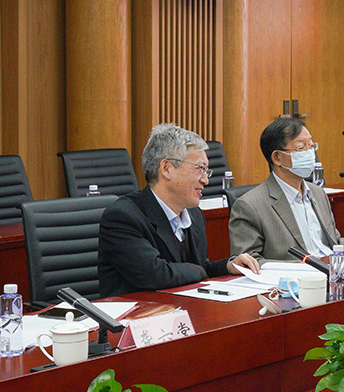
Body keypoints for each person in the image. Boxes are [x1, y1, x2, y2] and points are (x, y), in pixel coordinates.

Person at [99, 123, 258, 297]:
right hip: (139, 311)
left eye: (207, 171)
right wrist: (200, 271)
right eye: (200, 168)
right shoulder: (123, 217)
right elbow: (157, 275)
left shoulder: (194, 215)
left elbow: (199, 269)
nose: (205, 180)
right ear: (166, 169)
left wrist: (228, 266)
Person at [230, 117, 344, 263]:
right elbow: (250, 262)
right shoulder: (250, 206)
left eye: (311, 146)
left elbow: (334, 242)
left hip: (332, 268)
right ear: (277, 157)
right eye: (301, 148)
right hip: (297, 274)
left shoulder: (318, 193)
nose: (310, 153)